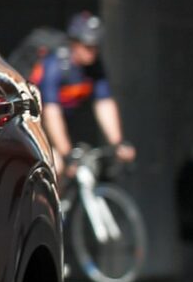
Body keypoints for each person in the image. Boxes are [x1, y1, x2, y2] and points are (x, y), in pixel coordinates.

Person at [38, 9, 135, 176]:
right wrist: (66, 153)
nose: (92, 51)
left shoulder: (94, 67)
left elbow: (104, 103)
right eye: (87, 45)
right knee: (57, 166)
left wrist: (118, 143)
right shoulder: (56, 64)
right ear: (74, 43)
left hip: (61, 123)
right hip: (34, 124)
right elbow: (51, 112)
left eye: (96, 46)